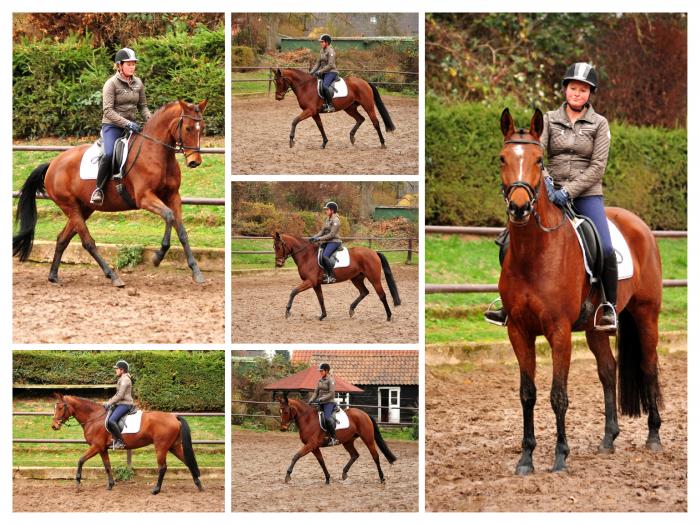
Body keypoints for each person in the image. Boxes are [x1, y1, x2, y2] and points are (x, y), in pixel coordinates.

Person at [485, 62, 617, 330]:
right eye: (573, 88)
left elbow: (598, 167)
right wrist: (548, 185)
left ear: (590, 94)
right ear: (565, 90)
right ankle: (507, 304)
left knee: (605, 247)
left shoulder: (600, 124)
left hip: (585, 195)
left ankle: (608, 307)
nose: (577, 93)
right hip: (550, 191)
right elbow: (537, 155)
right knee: (509, 241)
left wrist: (568, 191)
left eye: (582, 90)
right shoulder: (547, 120)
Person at [90, 47, 152, 205]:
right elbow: (108, 111)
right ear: (119, 65)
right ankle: (99, 189)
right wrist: (127, 123)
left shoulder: (138, 82)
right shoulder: (111, 84)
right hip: (112, 126)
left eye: (133, 64)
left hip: (131, 127)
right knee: (109, 154)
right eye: (129, 64)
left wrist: (151, 121)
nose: (132, 66)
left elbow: (143, 106)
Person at [104, 359, 134, 450]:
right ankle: (114, 439)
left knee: (111, 420)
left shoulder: (125, 380)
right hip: (120, 403)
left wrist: (109, 403)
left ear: (122, 370)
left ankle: (120, 441)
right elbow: (117, 394)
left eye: (117, 369)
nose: (115, 370)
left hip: (125, 404)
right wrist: (109, 401)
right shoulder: (122, 379)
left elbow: (120, 395)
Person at [309, 201, 342, 284]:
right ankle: (322, 272)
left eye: (327, 209)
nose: (326, 211)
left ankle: (331, 276)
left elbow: (331, 234)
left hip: (334, 241)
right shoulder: (327, 219)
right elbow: (322, 231)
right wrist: (314, 237)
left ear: (332, 210)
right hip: (327, 241)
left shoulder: (336, 220)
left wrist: (319, 239)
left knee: (325, 256)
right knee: (316, 252)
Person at [308, 363, 338, 445]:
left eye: (321, 371)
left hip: (329, 403)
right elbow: (315, 392)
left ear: (326, 371)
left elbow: (331, 394)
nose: (320, 372)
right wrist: (311, 400)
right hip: (321, 403)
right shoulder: (320, 380)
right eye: (320, 371)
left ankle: (334, 438)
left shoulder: (331, 380)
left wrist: (321, 399)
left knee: (327, 418)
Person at [310, 34, 338, 113]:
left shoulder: (331, 51)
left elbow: (330, 65)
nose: (321, 43)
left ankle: (330, 105)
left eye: (322, 42)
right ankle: (322, 102)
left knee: (325, 86)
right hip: (324, 72)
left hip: (331, 72)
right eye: (321, 42)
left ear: (327, 42)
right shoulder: (322, 51)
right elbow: (317, 64)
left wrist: (320, 71)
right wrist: (311, 72)